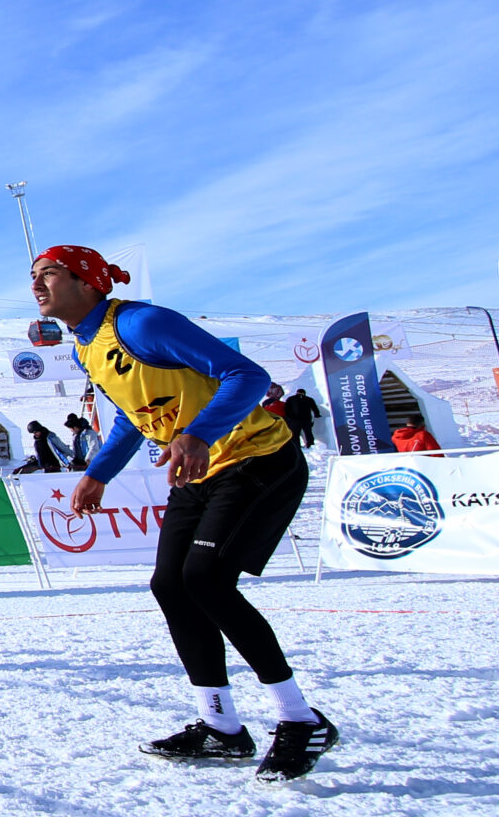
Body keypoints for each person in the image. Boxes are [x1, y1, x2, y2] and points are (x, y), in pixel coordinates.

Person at [34, 244, 334, 781]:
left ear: (87, 282)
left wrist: (196, 434)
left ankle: (300, 718)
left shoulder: (142, 323)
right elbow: (134, 416)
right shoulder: (86, 346)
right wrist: (98, 472)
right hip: (198, 471)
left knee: (208, 580)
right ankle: (221, 726)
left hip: (256, 458)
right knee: (171, 585)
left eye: (50, 273)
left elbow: (247, 376)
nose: (37, 283)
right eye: (33, 275)